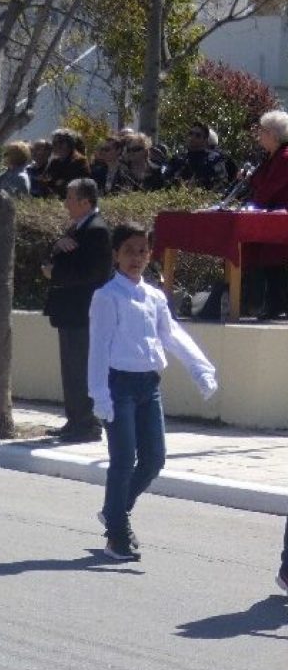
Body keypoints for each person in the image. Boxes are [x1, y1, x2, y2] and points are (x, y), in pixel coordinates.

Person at [88, 223, 218, 561]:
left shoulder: (155, 296)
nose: (136, 258)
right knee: (122, 460)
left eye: (142, 251)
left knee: (154, 459)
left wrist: (200, 369)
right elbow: (98, 348)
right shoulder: (107, 296)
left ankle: (115, 510)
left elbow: (172, 335)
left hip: (148, 385)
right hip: (118, 385)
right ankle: (116, 535)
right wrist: (99, 394)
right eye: (128, 251)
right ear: (116, 255)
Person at [42, 177, 112, 443]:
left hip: (83, 311)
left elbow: (94, 273)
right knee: (71, 369)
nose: (66, 203)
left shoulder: (96, 230)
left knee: (82, 369)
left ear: (85, 202)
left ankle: (87, 424)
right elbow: (58, 255)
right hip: (70, 312)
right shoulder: (78, 227)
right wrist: (56, 247)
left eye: (70, 198)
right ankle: (74, 420)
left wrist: (56, 273)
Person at [247, 110, 288, 320]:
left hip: (280, 218)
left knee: (274, 260)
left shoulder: (285, 157)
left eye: (262, 131)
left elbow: (270, 187)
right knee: (268, 260)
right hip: (268, 218)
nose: (259, 135)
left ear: (272, 134)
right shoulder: (270, 157)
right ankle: (272, 304)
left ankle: (277, 305)